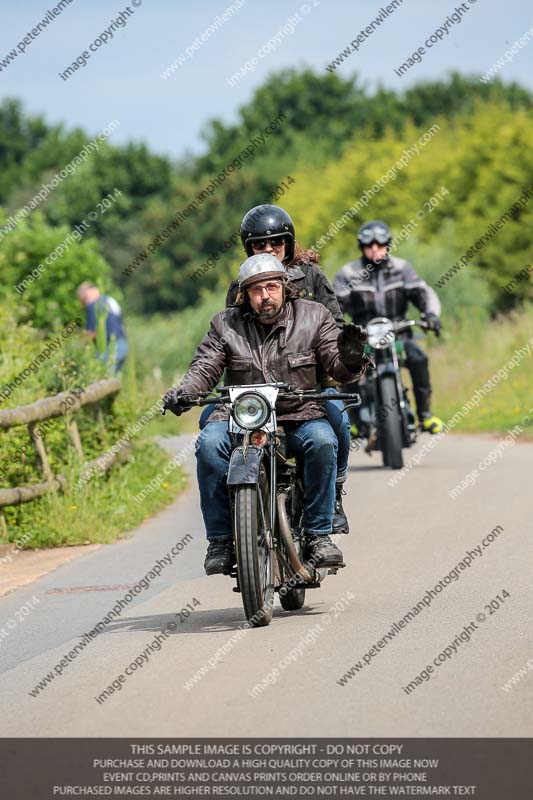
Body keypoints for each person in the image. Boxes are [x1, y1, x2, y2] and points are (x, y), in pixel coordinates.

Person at [163, 253, 369, 576]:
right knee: (208, 443)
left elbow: (335, 364)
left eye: (272, 287)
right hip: (241, 418)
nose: (265, 296)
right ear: (245, 294)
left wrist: (352, 358)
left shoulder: (314, 316)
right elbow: (204, 367)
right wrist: (184, 392)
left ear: (285, 287)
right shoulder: (225, 324)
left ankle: (318, 535)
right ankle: (220, 540)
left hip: (298, 415)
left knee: (323, 439)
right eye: (257, 290)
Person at [203, 204, 352, 534]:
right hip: (256, 389)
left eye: (276, 243)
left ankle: (334, 491)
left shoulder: (312, 277)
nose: (269, 249)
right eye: (260, 245)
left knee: (336, 418)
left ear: (289, 242)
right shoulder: (242, 287)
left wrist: (345, 355)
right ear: (249, 249)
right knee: (207, 427)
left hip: (311, 381)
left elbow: (334, 327)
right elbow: (233, 336)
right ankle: (233, 516)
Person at [333, 220, 444, 434]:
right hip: (363, 338)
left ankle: (425, 415)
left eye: (380, 244)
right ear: (362, 247)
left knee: (419, 359)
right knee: (347, 365)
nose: (375, 248)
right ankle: (354, 422)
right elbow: (335, 307)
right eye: (369, 244)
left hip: (399, 334)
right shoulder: (348, 273)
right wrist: (335, 328)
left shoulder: (402, 268)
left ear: (388, 245)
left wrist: (430, 315)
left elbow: (423, 293)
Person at [77, 282, 128, 374]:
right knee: (114, 382)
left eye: (83, 300)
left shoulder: (94, 305)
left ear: (87, 294)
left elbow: (91, 334)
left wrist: (78, 345)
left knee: (103, 377)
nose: (84, 304)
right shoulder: (109, 300)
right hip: (123, 345)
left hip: (111, 348)